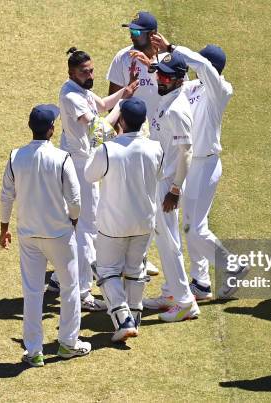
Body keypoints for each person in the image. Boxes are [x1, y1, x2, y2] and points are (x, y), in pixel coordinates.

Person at [146, 33, 246, 300]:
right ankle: (200, 283)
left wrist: (171, 47)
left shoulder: (220, 90)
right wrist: (156, 60)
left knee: (194, 227)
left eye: (201, 63)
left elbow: (200, 65)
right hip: (188, 163)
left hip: (205, 164)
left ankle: (233, 267)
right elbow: (176, 83)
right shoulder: (193, 87)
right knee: (189, 225)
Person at [0, 104, 91, 366]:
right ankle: (68, 343)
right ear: (52, 129)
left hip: (28, 236)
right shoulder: (62, 158)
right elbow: (74, 200)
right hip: (59, 235)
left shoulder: (16, 156)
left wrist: (4, 229)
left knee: (32, 292)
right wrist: (72, 220)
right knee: (70, 288)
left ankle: (34, 351)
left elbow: (6, 196)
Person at [49, 48, 139, 311]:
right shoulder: (71, 95)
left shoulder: (82, 90)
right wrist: (123, 104)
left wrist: (125, 91)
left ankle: (58, 278)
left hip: (81, 161)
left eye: (91, 70)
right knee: (87, 228)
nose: (90, 75)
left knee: (81, 225)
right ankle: (83, 291)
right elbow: (98, 128)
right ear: (71, 73)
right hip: (79, 165)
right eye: (84, 72)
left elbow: (102, 106)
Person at [84, 97, 163, 342]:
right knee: (135, 270)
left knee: (107, 271)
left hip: (113, 225)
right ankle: (135, 316)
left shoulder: (107, 149)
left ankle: (124, 319)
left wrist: (98, 144)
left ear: (122, 121)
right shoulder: (156, 148)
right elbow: (159, 175)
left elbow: (89, 175)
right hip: (144, 222)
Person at [141, 53, 200, 322]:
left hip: (167, 184)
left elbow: (187, 152)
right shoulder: (168, 99)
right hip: (159, 179)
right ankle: (171, 293)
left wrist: (174, 190)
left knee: (169, 242)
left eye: (166, 76)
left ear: (178, 80)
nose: (160, 79)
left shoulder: (176, 109)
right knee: (165, 239)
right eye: (159, 74)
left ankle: (186, 302)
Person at [107, 11, 164, 277]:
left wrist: (154, 64)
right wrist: (120, 136)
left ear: (152, 35)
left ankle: (141, 255)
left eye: (138, 32)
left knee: (152, 199)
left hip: (161, 139)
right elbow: (113, 98)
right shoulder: (122, 58)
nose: (132, 35)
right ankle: (134, 256)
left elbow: (178, 91)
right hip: (132, 138)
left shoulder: (168, 61)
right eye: (131, 30)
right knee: (130, 196)